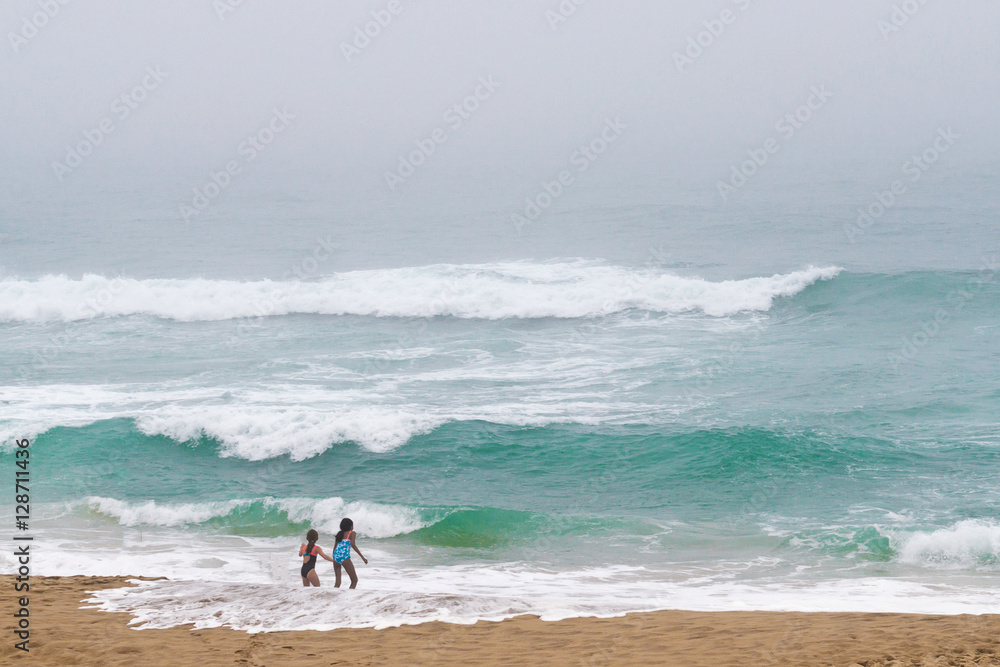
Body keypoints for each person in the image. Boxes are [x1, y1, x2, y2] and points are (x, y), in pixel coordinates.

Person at [333, 518, 368, 589]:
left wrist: (334, 558)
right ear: (350, 526)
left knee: (337, 583)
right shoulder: (352, 533)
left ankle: (333, 598)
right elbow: (353, 545)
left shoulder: (339, 534)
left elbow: (335, 547)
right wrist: (363, 557)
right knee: (354, 580)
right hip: (344, 557)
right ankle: (349, 598)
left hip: (336, 557)